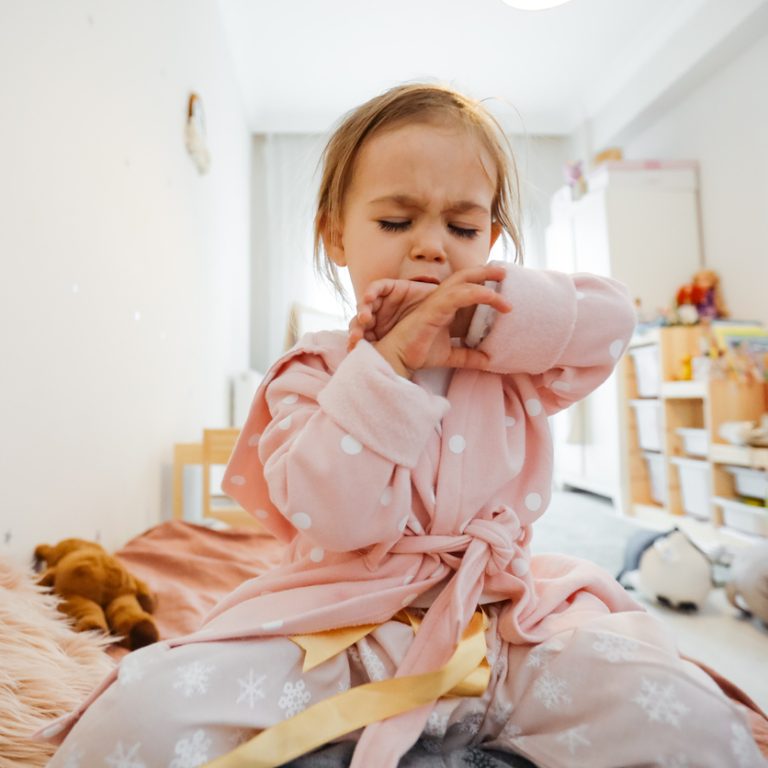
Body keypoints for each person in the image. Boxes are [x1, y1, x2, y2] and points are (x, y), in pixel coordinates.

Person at [44, 84, 764, 768]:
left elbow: (611, 322)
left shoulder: (513, 353)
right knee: (142, 716)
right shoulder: (314, 370)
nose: (431, 246)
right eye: (396, 222)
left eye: (463, 226)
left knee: (693, 716)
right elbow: (335, 515)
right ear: (337, 236)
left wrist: (488, 321)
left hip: (507, 627)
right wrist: (387, 363)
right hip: (340, 630)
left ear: (493, 238)